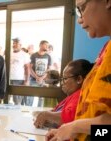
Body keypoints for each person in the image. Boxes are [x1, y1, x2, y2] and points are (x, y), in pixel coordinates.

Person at [46, 1, 111, 141]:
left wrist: (75, 127)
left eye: (82, 8)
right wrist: (74, 131)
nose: (80, 19)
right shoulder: (107, 49)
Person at [34, 59, 93, 129]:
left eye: (65, 78)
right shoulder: (72, 95)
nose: (62, 83)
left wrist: (47, 115)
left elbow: (70, 117)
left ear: (79, 79)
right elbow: (57, 110)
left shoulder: (80, 95)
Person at [10, 37, 30, 105]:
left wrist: (27, 81)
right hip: (8, 79)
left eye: (16, 43)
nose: (14, 44)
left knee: (17, 101)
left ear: (20, 45)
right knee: (6, 99)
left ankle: (17, 114)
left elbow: (27, 68)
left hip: (19, 80)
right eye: (13, 43)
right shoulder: (8, 53)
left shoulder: (24, 54)